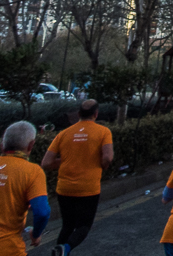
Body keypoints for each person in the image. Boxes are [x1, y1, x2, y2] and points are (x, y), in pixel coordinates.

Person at [42, 99, 113, 256]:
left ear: (79, 114)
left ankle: (58, 251)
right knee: (83, 226)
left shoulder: (64, 134)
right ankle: (65, 249)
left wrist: (67, 160)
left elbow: (46, 162)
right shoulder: (103, 132)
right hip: (88, 188)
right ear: (96, 114)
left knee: (67, 226)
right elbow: (107, 158)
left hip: (64, 188)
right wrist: (101, 164)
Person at [0, 121, 50, 256]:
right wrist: (36, 233)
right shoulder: (32, 172)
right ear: (31, 145)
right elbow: (42, 212)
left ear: (2, 145)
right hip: (8, 249)